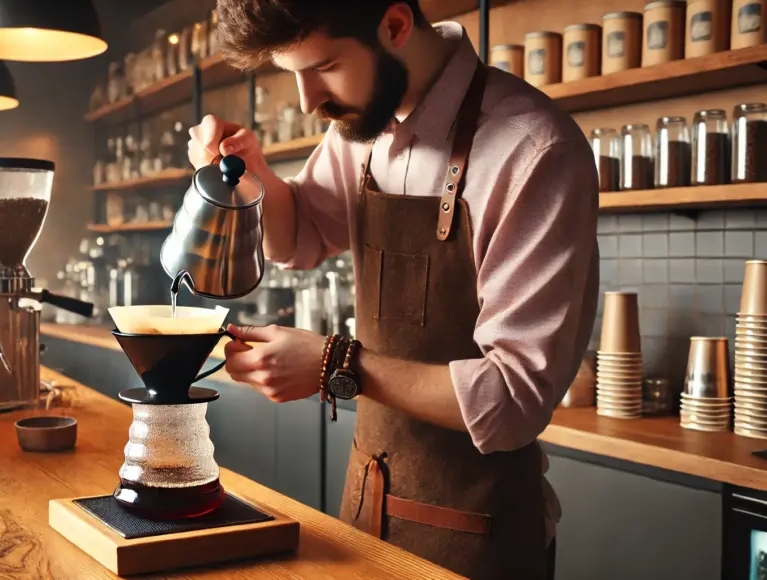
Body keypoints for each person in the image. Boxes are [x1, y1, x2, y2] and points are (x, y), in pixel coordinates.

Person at [186, 1, 599, 579]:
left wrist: (336, 363)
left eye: (324, 66)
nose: (307, 102)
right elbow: (300, 234)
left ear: (396, 26)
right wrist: (254, 175)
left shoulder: (531, 149)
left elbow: (512, 399)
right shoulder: (363, 130)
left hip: (479, 532)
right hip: (367, 509)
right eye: (292, 74)